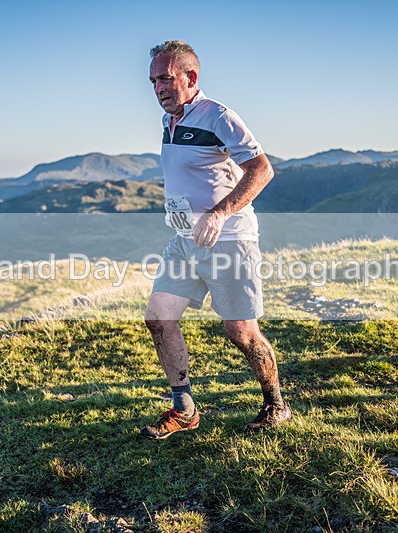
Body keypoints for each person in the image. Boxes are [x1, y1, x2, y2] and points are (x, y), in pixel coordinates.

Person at [141, 40, 292, 439]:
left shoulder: (219, 116)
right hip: (183, 240)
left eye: (166, 78)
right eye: (153, 80)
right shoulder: (169, 121)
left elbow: (261, 170)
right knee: (159, 317)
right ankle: (184, 407)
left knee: (241, 332)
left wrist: (220, 212)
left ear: (191, 77)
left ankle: (276, 404)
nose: (158, 87)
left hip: (229, 240)